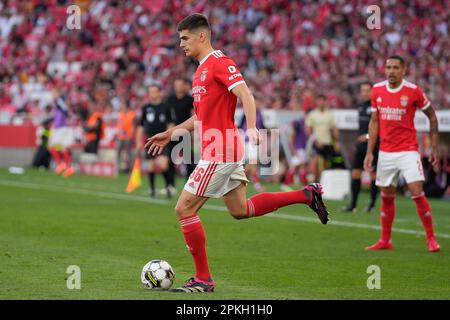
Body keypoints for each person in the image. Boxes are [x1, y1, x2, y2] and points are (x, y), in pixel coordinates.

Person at [144, 13, 329, 293]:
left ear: (201, 36)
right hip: (219, 149)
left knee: (183, 208)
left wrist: (253, 127)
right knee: (240, 210)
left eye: (185, 38)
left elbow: (246, 94)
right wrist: (172, 133)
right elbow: (200, 117)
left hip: (220, 151)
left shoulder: (220, 63)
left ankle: (203, 279)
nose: (181, 44)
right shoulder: (200, 71)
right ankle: (306, 194)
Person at [364, 55, 441, 252]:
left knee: (416, 189)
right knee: (387, 194)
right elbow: (374, 121)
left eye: (396, 68)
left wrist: (434, 147)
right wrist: (370, 152)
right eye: (388, 67)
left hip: (408, 150)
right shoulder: (377, 90)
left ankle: (431, 239)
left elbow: (432, 116)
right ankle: (385, 240)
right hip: (386, 152)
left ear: (403, 70)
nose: (391, 71)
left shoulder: (413, 91)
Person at [342, 82, 379, 213]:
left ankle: (372, 205)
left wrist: (368, 136)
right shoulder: (360, 106)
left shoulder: (376, 106)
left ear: (372, 91)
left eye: (366, 90)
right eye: (362, 90)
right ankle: (353, 204)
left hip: (374, 144)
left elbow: (382, 127)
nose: (364, 93)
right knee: (356, 173)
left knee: (373, 175)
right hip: (361, 146)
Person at [137, 84, 174, 198]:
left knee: (163, 165)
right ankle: (152, 190)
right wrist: (139, 141)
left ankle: (168, 186)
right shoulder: (146, 108)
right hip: (150, 140)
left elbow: (170, 124)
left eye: (154, 91)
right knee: (151, 166)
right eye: (150, 92)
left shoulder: (166, 107)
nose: (152, 94)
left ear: (159, 93)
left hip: (162, 140)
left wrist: (168, 137)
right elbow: (141, 126)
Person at [166, 78, 194, 189]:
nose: (178, 87)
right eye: (176, 84)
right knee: (170, 159)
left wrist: (193, 133)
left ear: (184, 86)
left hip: (186, 132)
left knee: (189, 160)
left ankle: (189, 184)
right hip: (173, 133)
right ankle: (170, 185)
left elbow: (194, 115)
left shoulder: (189, 100)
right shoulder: (170, 100)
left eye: (180, 84)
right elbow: (167, 116)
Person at [305, 95, 340, 181]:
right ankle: (314, 180)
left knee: (324, 164)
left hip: (327, 142)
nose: (321, 103)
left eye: (322, 101)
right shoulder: (312, 114)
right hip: (316, 142)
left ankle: (321, 181)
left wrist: (337, 141)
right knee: (315, 161)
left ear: (325, 102)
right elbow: (309, 130)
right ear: (316, 102)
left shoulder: (329, 115)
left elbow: (334, 129)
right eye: (319, 101)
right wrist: (315, 141)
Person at [238, 100, 266, 192]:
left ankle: (236, 184)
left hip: (255, 141)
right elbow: (241, 127)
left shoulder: (259, 113)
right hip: (248, 140)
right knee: (252, 163)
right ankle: (257, 185)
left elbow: (262, 127)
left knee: (251, 164)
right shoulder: (247, 112)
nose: (258, 104)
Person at [48, 88, 75, 177]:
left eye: (54, 92)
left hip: (60, 129)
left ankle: (61, 164)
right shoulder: (57, 102)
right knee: (63, 148)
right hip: (62, 127)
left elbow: (65, 110)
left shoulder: (59, 101)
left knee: (52, 147)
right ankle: (68, 168)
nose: (52, 94)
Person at [117, 102, 135, 173]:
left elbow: (133, 126)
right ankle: (118, 168)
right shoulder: (120, 114)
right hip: (120, 137)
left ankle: (129, 168)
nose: (122, 108)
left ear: (127, 107)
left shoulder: (131, 115)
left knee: (128, 153)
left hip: (128, 137)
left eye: (124, 106)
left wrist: (131, 135)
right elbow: (119, 125)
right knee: (118, 152)